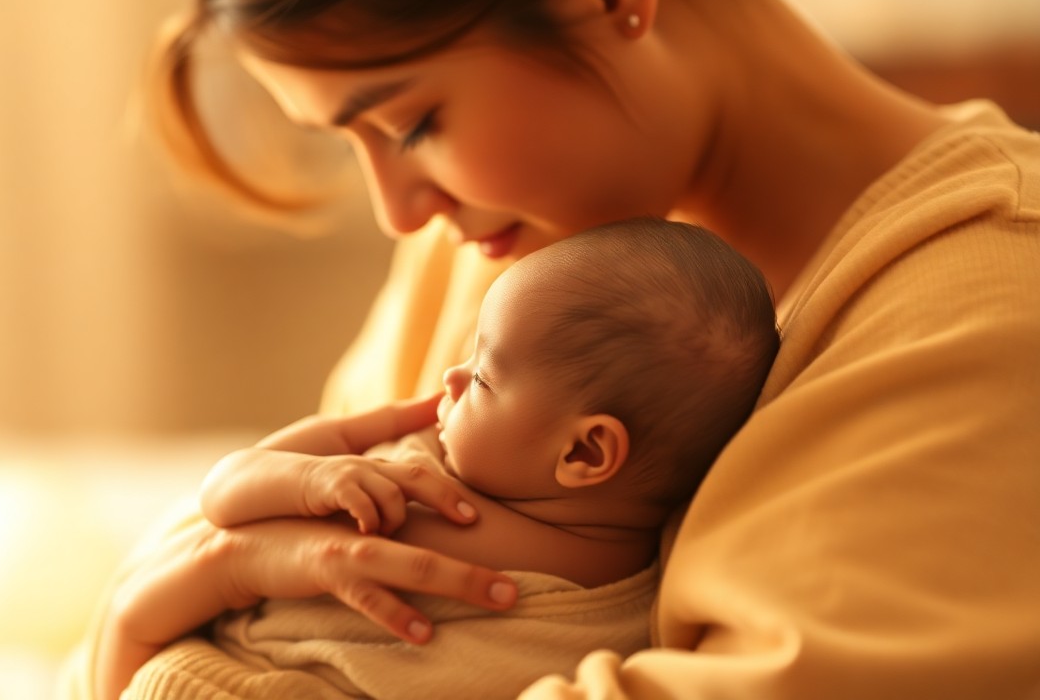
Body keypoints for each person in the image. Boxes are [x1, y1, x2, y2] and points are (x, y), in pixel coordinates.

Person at [63, 0, 1040, 698]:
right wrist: (127, 638)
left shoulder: (990, 304)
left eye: (414, 125)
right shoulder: (500, 257)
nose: (400, 211)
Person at [95, 218, 778, 698]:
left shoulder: (634, 604)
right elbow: (225, 493)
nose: (447, 380)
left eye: (482, 377)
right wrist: (314, 475)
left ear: (584, 451)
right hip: (212, 676)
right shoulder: (415, 460)